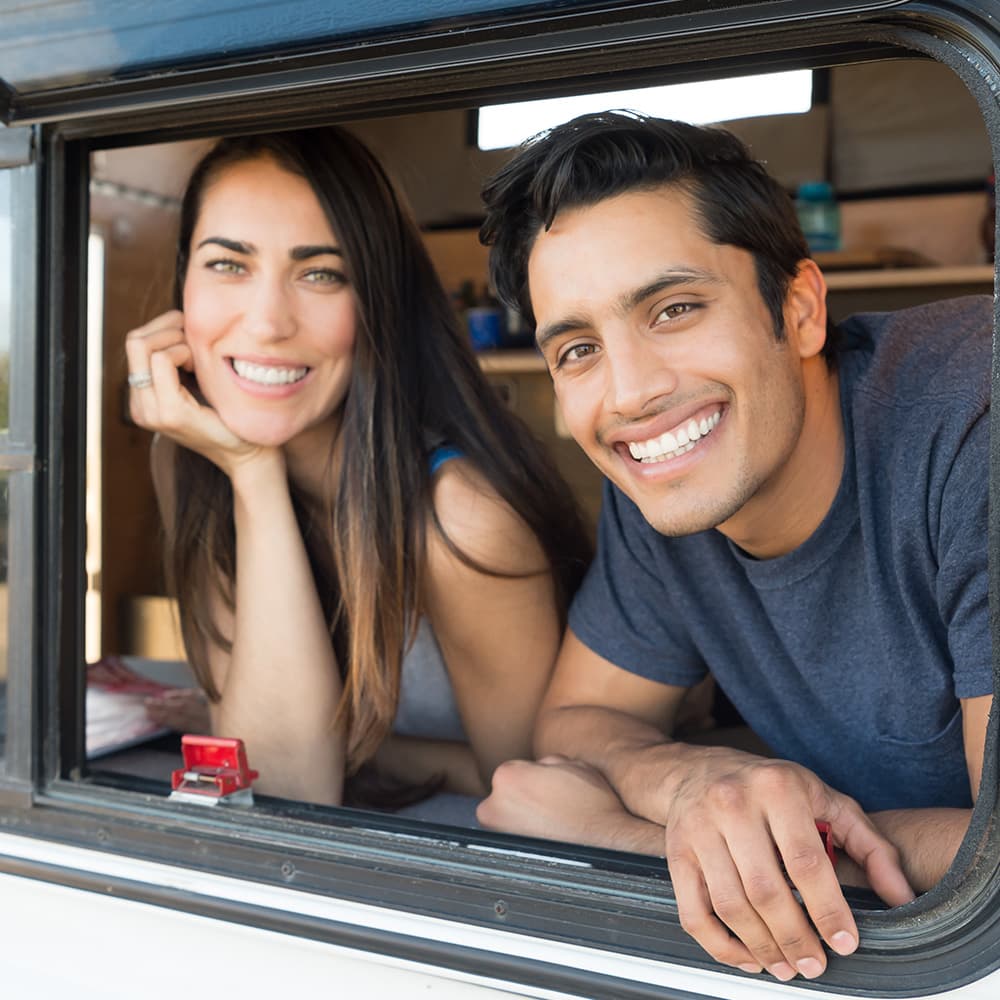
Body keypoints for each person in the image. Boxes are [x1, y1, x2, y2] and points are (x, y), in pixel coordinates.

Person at [474, 111, 993, 981]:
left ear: (798, 311)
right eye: (578, 349)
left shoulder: (976, 415)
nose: (632, 392)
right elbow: (576, 725)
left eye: (674, 309)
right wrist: (693, 789)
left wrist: (623, 833)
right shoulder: (664, 479)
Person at [125, 126, 591, 821]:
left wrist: (346, 742)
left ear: (375, 300)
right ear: (183, 283)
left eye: (321, 273)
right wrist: (252, 474)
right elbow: (279, 781)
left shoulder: (459, 518)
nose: (268, 322)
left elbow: (526, 789)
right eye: (228, 265)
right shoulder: (198, 452)